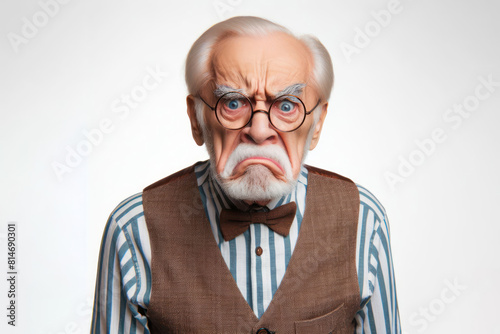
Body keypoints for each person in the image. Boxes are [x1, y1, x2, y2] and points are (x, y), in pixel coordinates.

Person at [91, 16, 400, 334]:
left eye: (287, 105)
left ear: (317, 124)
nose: (259, 130)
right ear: (196, 119)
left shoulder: (363, 219)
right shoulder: (134, 229)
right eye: (233, 102)